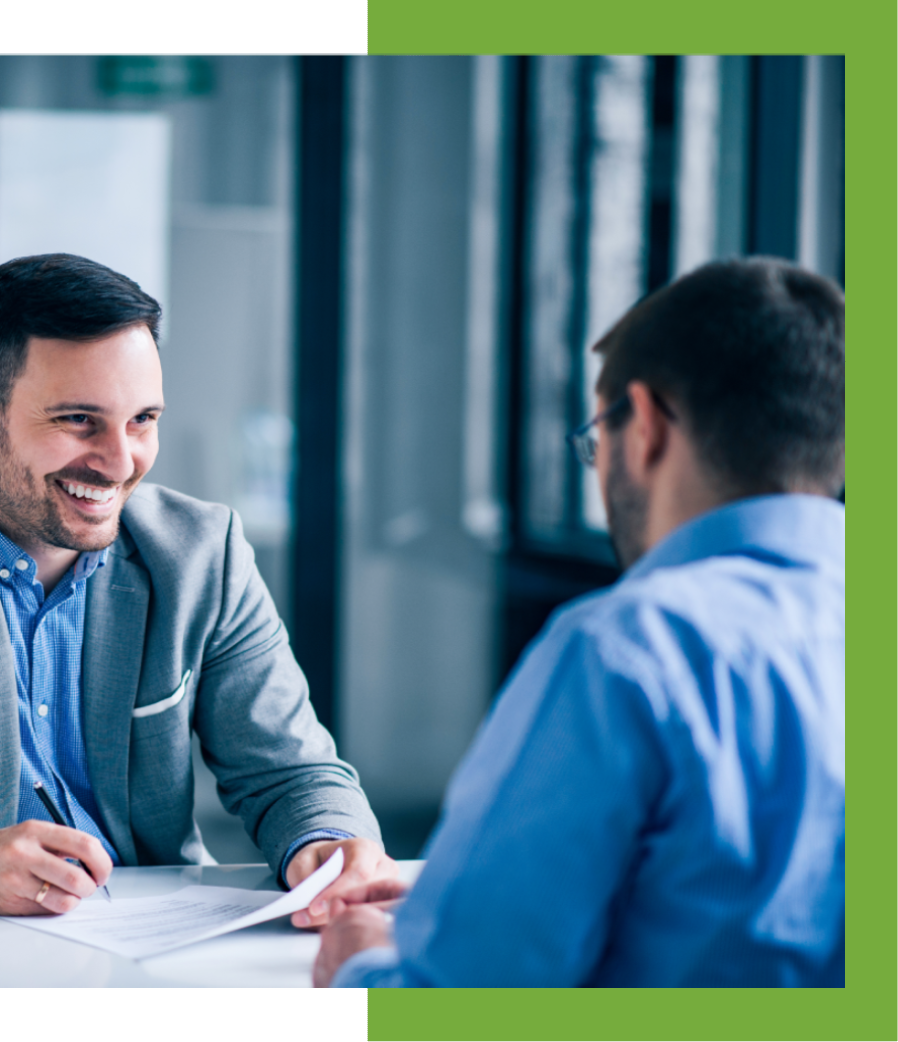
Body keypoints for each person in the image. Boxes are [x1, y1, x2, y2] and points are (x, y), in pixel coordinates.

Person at [314, 256, 845, 989]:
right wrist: (469, 901)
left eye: (596, 439)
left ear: (647, 425)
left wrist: (362, 965)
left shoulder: (628, 649)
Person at [0, 253, 394, 919]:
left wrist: (329, 842)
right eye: (78, 420)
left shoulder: (199, 553)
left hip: (155, 951)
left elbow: (290, 771)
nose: (118, 461)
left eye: (142, 420)